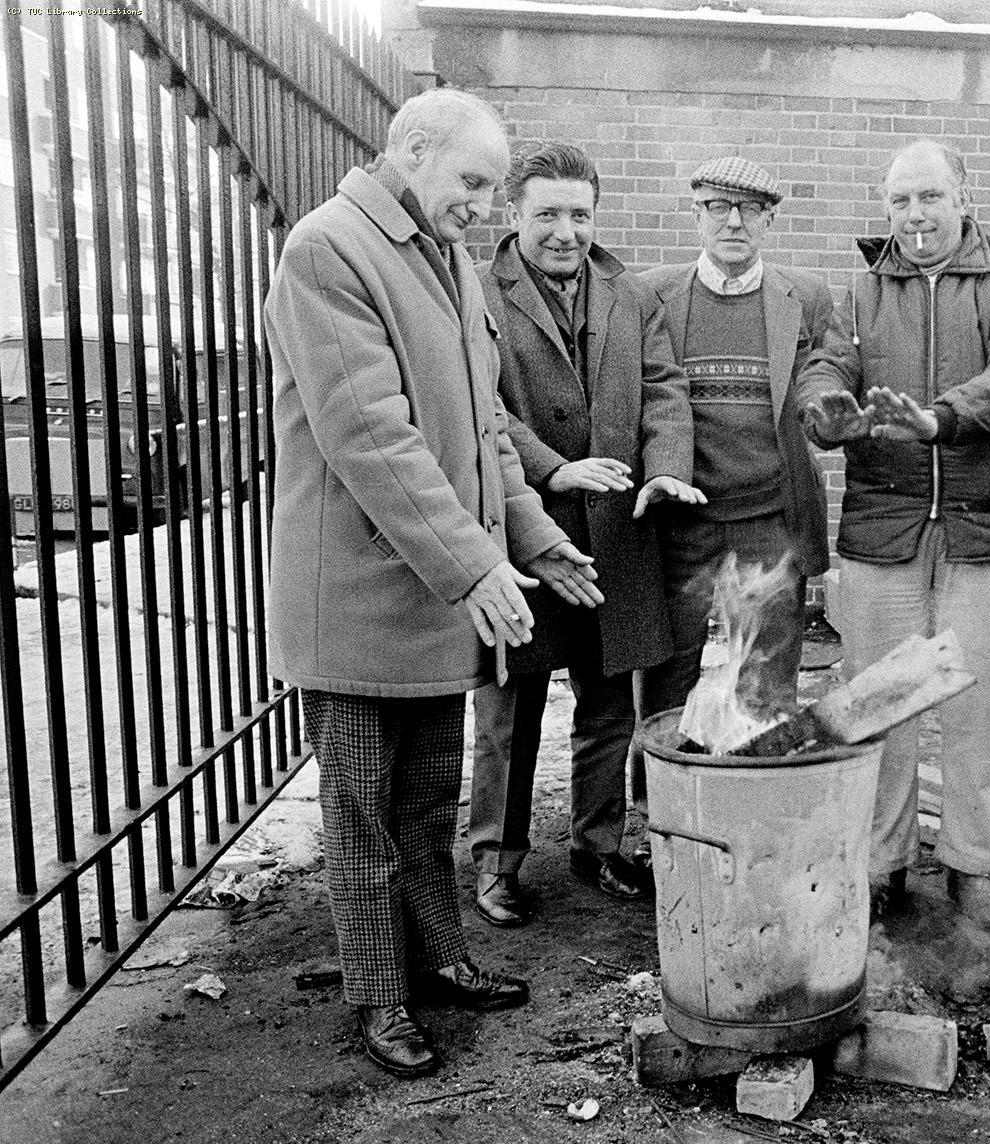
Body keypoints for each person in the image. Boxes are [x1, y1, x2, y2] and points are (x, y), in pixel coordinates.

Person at [264, 88, 603, 1078]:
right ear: (409, 150)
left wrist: (535, 540)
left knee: (423, 803)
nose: (488, 207)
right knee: (362, 812)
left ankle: (442, 957)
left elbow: (485, 430)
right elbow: (371, 436)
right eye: (474, 182)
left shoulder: (444, 258)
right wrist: (474, 567)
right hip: (360, 600)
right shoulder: (327, 250)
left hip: (429, 593)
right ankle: (380, 996)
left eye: (495, 187)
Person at [798, 139, 990, 931]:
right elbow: (825, 369)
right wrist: (827, 408)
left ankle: (972, 864)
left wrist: (940, 421)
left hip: (986, 529)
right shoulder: (863, 292)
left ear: (962, 198)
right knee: (881, 702)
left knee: (978, 708)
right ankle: (882, 860)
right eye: (900, 201)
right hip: (883, 529)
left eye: (930, 197)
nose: (915, 215)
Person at [470, 142, 701, 923]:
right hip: (524, 531)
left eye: (578, 213)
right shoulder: (476, 293)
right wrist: (551, 470)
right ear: (513, 216)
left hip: (621, 529)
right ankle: (496, 862)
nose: (564, 231)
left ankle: (599, 846)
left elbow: (665, 391)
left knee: (610, 706)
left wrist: (666, 466)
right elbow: (480, 411)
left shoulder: (631, 293)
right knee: (512, 707)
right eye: (547, 215)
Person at [638, 156, 834, 728]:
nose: (733, 223)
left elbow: (824, 380)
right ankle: (663, 804)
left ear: (769, 219)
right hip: (683, 521)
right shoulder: (654, 295)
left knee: (767, 681)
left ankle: (753, 806)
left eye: (749, 209)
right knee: (667, 679)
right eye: (718, 207)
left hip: (770, 518)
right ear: (697, 214)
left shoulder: (807, 297)